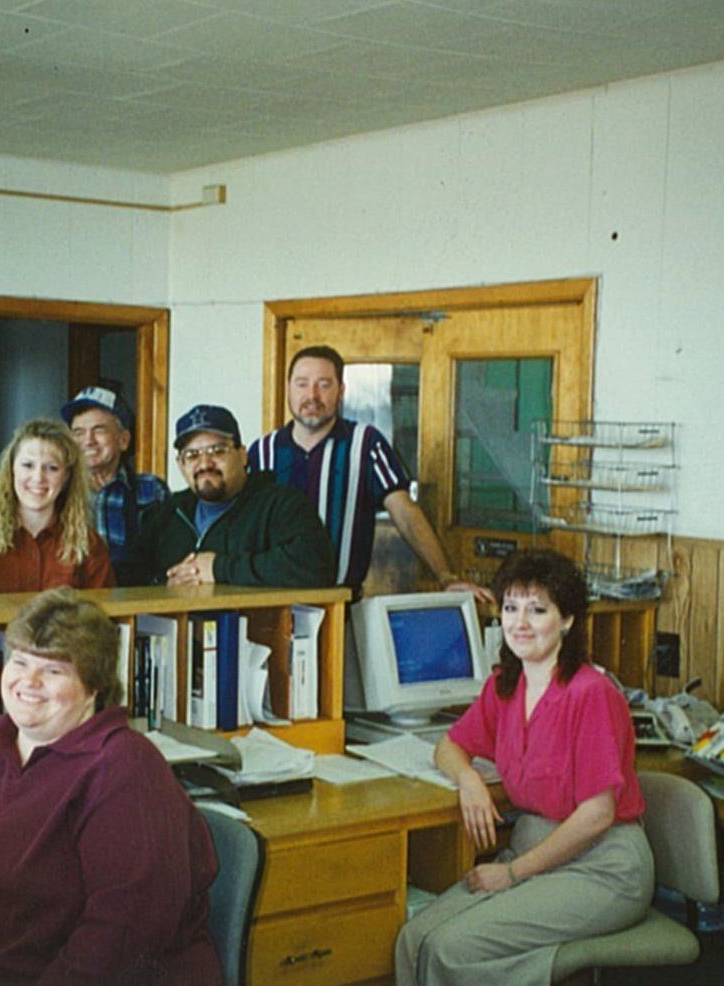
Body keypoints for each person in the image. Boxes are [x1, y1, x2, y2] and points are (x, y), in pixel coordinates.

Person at [0, 587, 221, 986]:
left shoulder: (123, 768)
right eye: (20, 662)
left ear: (93, 686)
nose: (27, 682)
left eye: (53, 670)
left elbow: (117, 939)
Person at [394, 548, 654, 986]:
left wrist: (513, 873)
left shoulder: (590, 694)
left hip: (603, 867)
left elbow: (597, 814)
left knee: (451, 948)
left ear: (567, 620)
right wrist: (469, 779)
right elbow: (448, 746)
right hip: (537, 852)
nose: (520, 622)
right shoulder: (505, 685)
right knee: (414, 937)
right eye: (511, 607)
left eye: (537, 610)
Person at [248, 345, 492, 601]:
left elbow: (406, 514)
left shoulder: (365, 444)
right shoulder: (262, 452)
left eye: (324, 384)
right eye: (302, 384)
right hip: (271, 608)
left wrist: (446, 578)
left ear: (341, 391)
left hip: (341, 609)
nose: (312, 395)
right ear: (287, 388)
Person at [118, 403, 334, 587]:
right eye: (192, 455)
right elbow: (130, 577)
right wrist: (167, 582)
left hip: (253, 635)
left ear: (242, 456)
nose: (205, 464)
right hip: (180, 634)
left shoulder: (281, 504)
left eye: (217, 451)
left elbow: (316, 566)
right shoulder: (166, 513)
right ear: (181, 465)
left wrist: (218, 568)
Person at [0, 419, 114, 593]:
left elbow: (101, 615)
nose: (38, 477)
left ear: (66, 477)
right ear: (11, 469)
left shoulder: (88, 543)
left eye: (52, 468)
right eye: (28, 465)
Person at [61, 385, 169, 568]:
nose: (88, 441)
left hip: (136, 595)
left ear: (123, 440)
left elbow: (170, 557)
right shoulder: (56, 490)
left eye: (99, 430)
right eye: (78, 432)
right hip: (73, 595)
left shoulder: (151, 490)